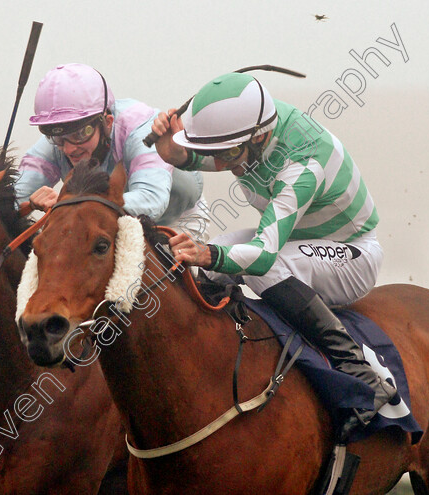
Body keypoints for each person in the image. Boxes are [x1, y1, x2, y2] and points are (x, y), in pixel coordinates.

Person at [151, 71, 396, 437]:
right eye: (215, 152)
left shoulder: (303, 161)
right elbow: (214, 154)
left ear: (260, 137)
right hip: (298, 242)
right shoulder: (249, 130)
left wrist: (206, 253)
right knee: (221, 257)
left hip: (352, 255)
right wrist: (174, 151)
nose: (223, 164)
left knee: (254, 266)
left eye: (229, 153)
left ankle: (361, 375)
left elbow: (264, 255)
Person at [16, 63, 209, 240]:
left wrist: (71, 203)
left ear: (107, 122)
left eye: (80, 134)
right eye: (57, 137)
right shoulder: (58, 140)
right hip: (104, 221)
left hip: (174, 222)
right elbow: (14, 196)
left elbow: (151, 200)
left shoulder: (140, 128)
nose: (68, 148)